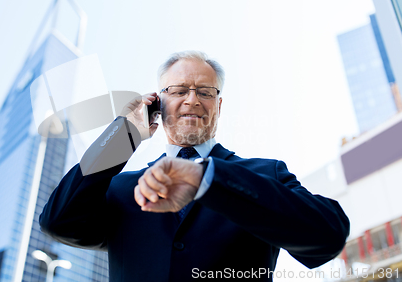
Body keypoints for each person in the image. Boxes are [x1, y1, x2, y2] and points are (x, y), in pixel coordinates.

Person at [40, 51, 350, 281]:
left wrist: (207, 180)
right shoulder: (122, 189)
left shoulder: (264, 175)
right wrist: (123, 135)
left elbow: (329, 236)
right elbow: (58, 221)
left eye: (205, 92)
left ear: (219, 106)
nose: (192, 100)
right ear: (157, 104)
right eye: (178, 91)